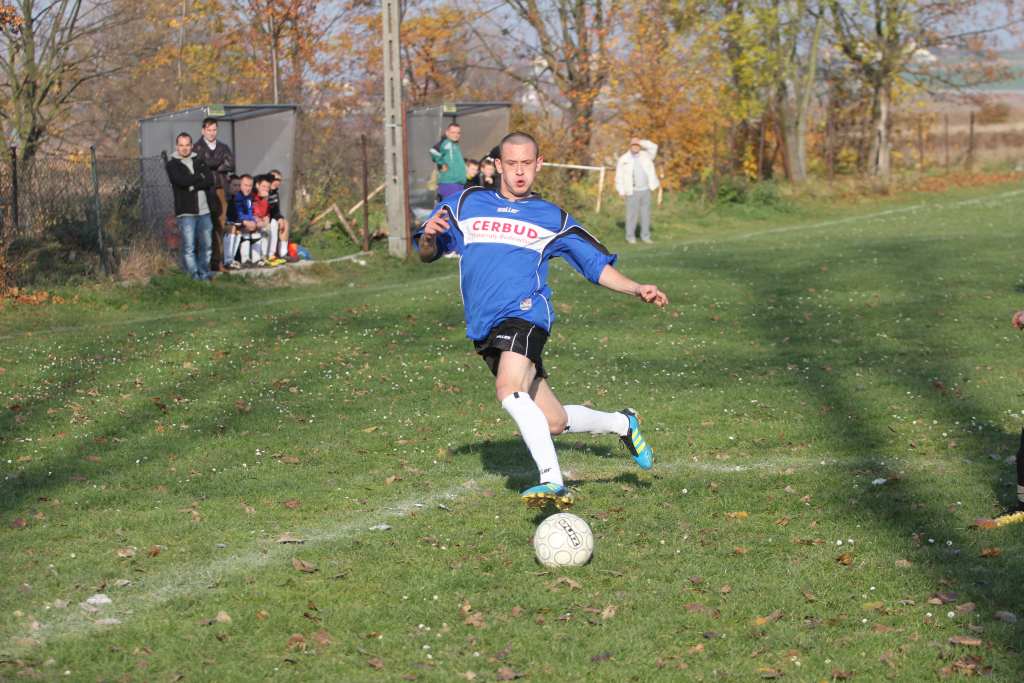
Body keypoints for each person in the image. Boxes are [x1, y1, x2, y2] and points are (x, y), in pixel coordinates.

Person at [414, 131, 669, 510]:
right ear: (498, 165)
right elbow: (427, 251)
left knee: (508, 388)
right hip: (485, 326)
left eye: (526, 164)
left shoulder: (552, 217)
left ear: (539, 165)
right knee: (553, 421)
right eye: (511, 164)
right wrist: (430, 239)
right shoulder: (465, 202)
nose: (519, 172)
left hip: (525, 315)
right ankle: (623, 424)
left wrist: (636, 288)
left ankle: (552, 480)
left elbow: (595, 265)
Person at [165, 132, 217, 281]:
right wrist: (198, 177)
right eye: (181, 145)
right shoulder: (172, 164)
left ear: (191, 146)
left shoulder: (199, 160)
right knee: (189, 247)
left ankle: (204, 274)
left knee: (206, 246)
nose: (184, 148)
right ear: (177, 146)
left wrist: (193, 185)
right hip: (186, 212)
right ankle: (193, 277)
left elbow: (209, 180)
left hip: (204, 210)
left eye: (187, 145)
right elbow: (181, 181)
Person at [191, 117, 235, 271]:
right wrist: (216, 163)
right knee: (204, 226)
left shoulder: (223, 147)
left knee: (220, 226)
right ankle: (204, 262)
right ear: (203, 130)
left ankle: (218, 261)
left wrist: (209, 164)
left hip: (221, 189)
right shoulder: (196, 147)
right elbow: (197, 165)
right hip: (203, 190)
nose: (211, 133)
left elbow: (231, 164)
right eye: (209, 130)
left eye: (214, 129)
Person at [615, 137, 660, 244]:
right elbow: (619, 176)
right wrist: (621, 191)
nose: (635, 147)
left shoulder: (646, 155)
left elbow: (654, 147)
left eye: (637, 145)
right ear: (630, 146)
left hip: (646, 190)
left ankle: (645, 236)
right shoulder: (623, 159)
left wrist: (641, 141)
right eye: (633, 145)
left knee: (646, 214)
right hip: (632, 191)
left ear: (640, 146)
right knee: (631, 215)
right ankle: (630, 237)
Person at [429, 122, 467, 201]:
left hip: (458, 182)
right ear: (447, 132)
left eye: (458, 133)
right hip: (449, 182)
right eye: (453, 132)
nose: (456, 135)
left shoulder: (455, 145)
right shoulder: (446, 143)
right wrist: (442, 163)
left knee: (454, 208)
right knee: (449, 208)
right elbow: (433, 151)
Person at [233, 174, 264, 267]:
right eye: (245, 185)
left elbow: (250, 211)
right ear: (240, 185)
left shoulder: (249, 197)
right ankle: (245, 259)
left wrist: (254, 221)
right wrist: (246, 222)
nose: (248, 188)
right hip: (237, 221)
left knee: (257, 230)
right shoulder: (237, 197)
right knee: (246, 230)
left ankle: (256, 259)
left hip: (246, 221)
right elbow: (238, 212)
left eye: (250, 186)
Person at [253, 175, 283, 266]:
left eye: (267, 187)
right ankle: (257, 259)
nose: (266, 189)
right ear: (257, 185)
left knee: (269, 226)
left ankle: (268, 256)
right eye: (263, 186)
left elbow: (272, 211)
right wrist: (257, 219)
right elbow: (251, 211)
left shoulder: (269, 196)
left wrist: (267, 218)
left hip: (263, 221)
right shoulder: (252, 196)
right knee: (262, 228)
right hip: (253, 220)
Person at [268, 170, 294, 263]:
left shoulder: (275, 193)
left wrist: (280, 218)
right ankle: (271, 254)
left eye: (280, 180)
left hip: (272, 217)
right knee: (274, 223)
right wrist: (276, 218)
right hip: (264, 218)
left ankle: (283, 253)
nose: (277, 182)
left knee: (285, 222)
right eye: (275, 179)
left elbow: (276, 210)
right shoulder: (264, 191)